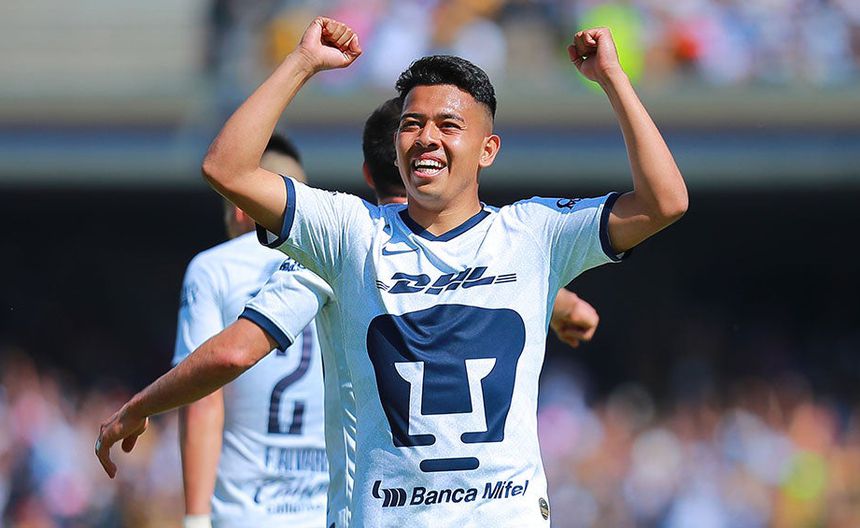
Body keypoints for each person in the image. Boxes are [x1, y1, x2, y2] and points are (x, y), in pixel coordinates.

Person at [99, 16, 685, 526]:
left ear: (488, 149)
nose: (426, 138)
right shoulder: (350, 233)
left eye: (448, 125)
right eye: (411, 123)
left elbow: (665, 202)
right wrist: (302, 63)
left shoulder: (533, 233)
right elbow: (225, 168)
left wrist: (614, 79)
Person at [173, 135, 330, 528]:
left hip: (245, 514)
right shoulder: (335, 261)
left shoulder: (214, 268)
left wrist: (195, 519)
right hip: (332, 511)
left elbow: (202, 397)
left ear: (243, 207)